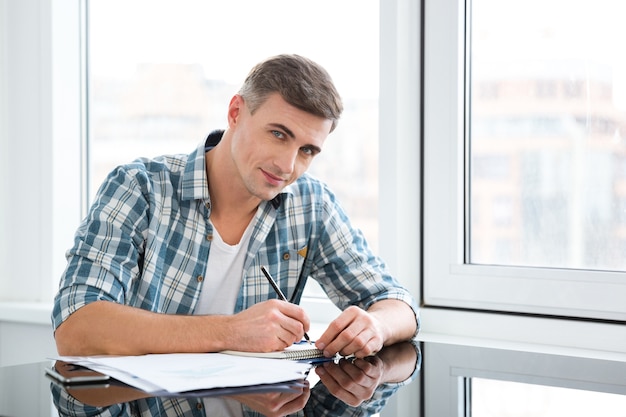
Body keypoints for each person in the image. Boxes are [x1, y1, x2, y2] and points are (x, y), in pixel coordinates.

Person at [52, 54, 419, 359]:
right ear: (235, 112)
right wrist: (232, 331)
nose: (288, 166)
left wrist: (376, 325)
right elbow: (76, 327)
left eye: (307, 150)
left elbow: (397, 305)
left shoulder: (312, 205)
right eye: (278, 134)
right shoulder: (140, 188)